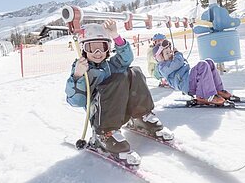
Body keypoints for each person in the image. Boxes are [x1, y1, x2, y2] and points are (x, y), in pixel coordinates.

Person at [65, 20, 173, 166]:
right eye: (92, 48)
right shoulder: (83, 70)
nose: (98, 53)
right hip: (101, 118)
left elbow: (126, 58)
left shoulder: (109, 65)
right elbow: (75, 101)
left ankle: (141, 117)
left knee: (132, 72)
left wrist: (115, 36)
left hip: (120, 111)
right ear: (83, 49)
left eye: (102, 47)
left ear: (108, 48)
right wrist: (77, 76)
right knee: (114, 81)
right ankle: (104, 135)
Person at [153, 39, 239, 105]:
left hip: (188, 78)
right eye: (167, 53)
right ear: (160, 57)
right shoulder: (163, 67)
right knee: (202, 65)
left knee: (209, 62)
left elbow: (184, 63)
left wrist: (176, 55)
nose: (170, 54)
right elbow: (178, 63)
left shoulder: (172, 60)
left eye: (170, 51)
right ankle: (205, 96)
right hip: (186, 84)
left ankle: (218, 90)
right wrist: (178, 54)